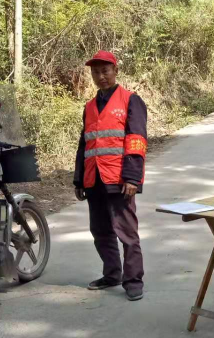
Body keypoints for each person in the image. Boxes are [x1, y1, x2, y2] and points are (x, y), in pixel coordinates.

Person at [74, 51, 147, 301]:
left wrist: (132, 178)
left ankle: (133, 280)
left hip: (119, 179)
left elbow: (137, 141)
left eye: (105, 71)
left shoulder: (130, 100)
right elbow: (84, 144)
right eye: (95, 72)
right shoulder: (89, 107)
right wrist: (79, 179)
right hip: (94, 179)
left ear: (115, 71)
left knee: (127, 232)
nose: (101, 76)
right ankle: (112, 274)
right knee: (101, 231)